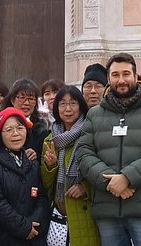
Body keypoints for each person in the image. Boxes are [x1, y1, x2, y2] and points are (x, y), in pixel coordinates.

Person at [77, 53, 141, 246]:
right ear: (108, 79)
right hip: (108, 208)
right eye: (115, 75)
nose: (121, 80)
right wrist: (111, 182)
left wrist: (127, 178)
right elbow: (84, 153)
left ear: (135, 76)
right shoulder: (95, 114)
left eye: (126, 74)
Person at [41, 86, 99, 246]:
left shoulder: (91, 134)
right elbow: (46, 186)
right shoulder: (50, 140)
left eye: (73, 103)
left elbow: (102, 170)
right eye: (62, 104)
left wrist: (85, 187)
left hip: (85, 212)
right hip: (58, 215)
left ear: (81, 106)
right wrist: (50, 166)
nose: (68, 109)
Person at [0, 107, 49, 245]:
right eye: (8, 130)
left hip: (34, 235)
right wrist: (23, 227)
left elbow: (42, 197)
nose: (16, 134)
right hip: (5, 237)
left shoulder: (31, 160)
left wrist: (33, 224)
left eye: (20, 128)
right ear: (0, 134)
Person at [0, 79, 49, 161]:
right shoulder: (0, 123)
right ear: (12, 100)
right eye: (22, 98)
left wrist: (36, 155)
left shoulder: (42, 129)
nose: (26, 103)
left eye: (31, 99)